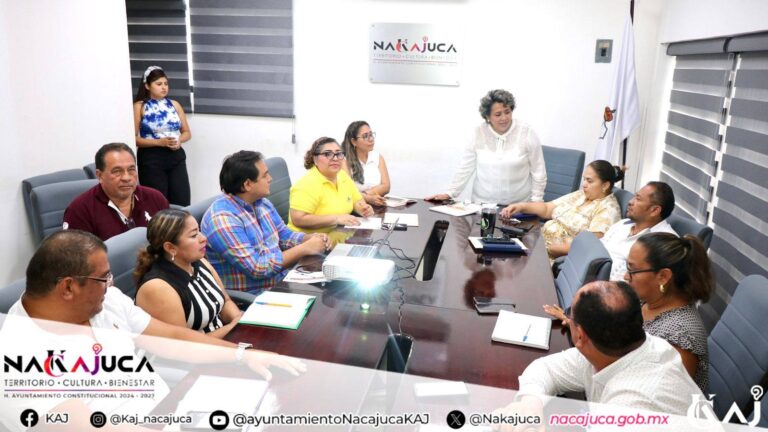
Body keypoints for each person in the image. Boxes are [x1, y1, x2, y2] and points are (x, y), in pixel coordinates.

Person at [0, 230, 303, 431]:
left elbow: (169, 336)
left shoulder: (104, 302)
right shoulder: (18, 359)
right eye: (104, 278)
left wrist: (242, 354)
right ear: (68, 288)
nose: (111, 285)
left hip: (168, 410)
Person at [502, 281, 704, 420]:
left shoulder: (632, 406)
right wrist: (530, 404)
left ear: (579, 335)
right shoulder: (616, 348)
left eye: (569, 314)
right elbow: (545, 369)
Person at [201, 151, 330, 292]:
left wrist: (309, 239)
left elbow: (284, 236)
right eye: (265, 175)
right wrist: (304, 248)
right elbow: (257, 269)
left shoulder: (261, 203)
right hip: (255, 296)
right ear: (247, 185)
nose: (270, 178)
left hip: (282, 281)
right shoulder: (223, 219)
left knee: (334, 287)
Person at [623, 232, 712, 391]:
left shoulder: (679, 338)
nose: (625, 276)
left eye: (632, 270)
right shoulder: (648, 300)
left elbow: (655, 397)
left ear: (663, 276)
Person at [134, 209, 242, 338]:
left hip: (227, 336)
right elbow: (183, 343)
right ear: (170, 248)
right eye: (194, 235)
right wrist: (234, 328)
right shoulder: (158, 288)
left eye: (199, 231)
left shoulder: (199, 262)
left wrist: (240, 321)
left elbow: (226, 301)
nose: (203, 238)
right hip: (201, 348)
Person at [426, 89, 546, 204]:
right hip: (482, 205)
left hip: (518, 206)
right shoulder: (478, 133)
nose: (504, 118)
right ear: (487, 117)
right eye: (498, 114)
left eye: (507, 112)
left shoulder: (526, 132)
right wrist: (450, 193)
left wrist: (536, 200)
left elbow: (538, 170)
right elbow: (466, 168)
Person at [500, 160, 622, 258]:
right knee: (501, 249)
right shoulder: (581, 195)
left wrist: (548, 249)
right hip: (538, 243)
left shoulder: (608, 209)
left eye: (589, 181)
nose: (584, 184)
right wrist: (521, 206)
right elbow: (547, 209)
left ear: (605, 185)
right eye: (584, 179)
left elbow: (589, 245)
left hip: (554, 256)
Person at [63, 143, 169, 241]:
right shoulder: (80, 211)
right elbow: (77, 254)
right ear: (99, 176)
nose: (126, 178)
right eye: (117, 171)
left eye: (131, 169)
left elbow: (170, 239)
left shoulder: (155, 198)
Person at [288, 137, 374, 233]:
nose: (335, 158)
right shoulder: (305, 185)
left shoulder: (342, 175)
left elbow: (357, 201)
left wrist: (362, 209)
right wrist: (336, 219)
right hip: (309, 239)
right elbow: (298, 219)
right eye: (327, 154)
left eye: (338, 154)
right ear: (315, 159)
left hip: (338, 234)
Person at [133, 65, 192, 206]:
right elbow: (133, 139)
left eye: (166, 84)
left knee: (182, 200)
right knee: (157, 202)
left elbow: (187, 133)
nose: (164, 87)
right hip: (151, 159)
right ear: (147, 86)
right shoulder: (139, 106)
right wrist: (160, 142)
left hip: (175, 156)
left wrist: (179, 140)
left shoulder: (174, 105)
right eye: (159, 84)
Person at [601, 181, 678, 280]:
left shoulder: (664, 243)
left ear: (654, 210)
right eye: (634, 196)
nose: (630, 202)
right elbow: (598, 247)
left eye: (638, 199)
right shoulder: (622, 224)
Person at [341, 120, 391, 207]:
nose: (371, 139)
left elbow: (386, 186)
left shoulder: (378, 157)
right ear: (354, 141)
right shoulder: (344, 161)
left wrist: (366, 194)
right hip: (355, 207)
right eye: (365, 136)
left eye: (371, 135)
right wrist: (368, 198)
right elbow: (348, 192)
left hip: (378, 204)